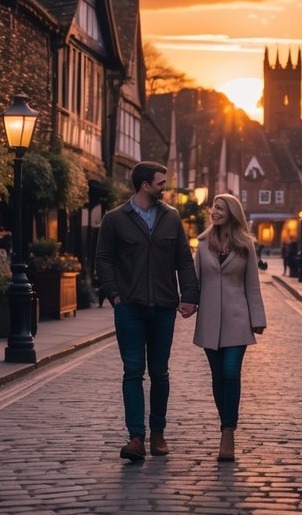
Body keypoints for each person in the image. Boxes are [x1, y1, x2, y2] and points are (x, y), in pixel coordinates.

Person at [97, 161, 199, 462]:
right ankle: (136, 438)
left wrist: (190, 295)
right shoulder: (115, 219)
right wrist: (115, 295)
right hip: (129, 307)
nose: (164, 187)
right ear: (145, 185)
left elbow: (184, 258)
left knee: (160, 372)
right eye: (161, 183)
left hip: (164, 307)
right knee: (132, 371)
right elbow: (103, 259)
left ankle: (158, 433)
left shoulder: (171, 218)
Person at [194, 193, 266, 461]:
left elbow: (252, 285)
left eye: (221, 208)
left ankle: (228, 432)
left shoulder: (245, 245)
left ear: (232, 213)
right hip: (209, 321)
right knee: (216, 377)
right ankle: (224, 423)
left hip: (237, 319)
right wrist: (186, 304)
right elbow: (196, 283)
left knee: (230, 372)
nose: (215, 211)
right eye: (214, 207)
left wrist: (257, 319)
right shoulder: (202, 244)